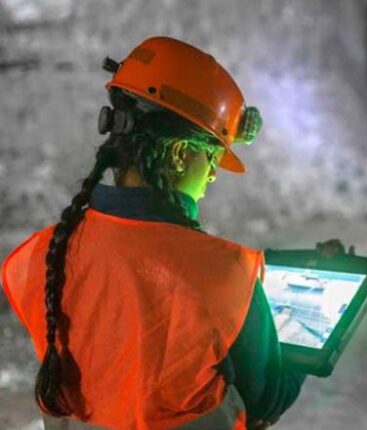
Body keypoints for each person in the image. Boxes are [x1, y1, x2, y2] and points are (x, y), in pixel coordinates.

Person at [1, 36, 305, 429]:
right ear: (179, 154)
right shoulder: (227, 272)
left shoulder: (37, 255)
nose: (213, 174)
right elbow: (266, 399)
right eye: (212, 156)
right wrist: (307, 346)